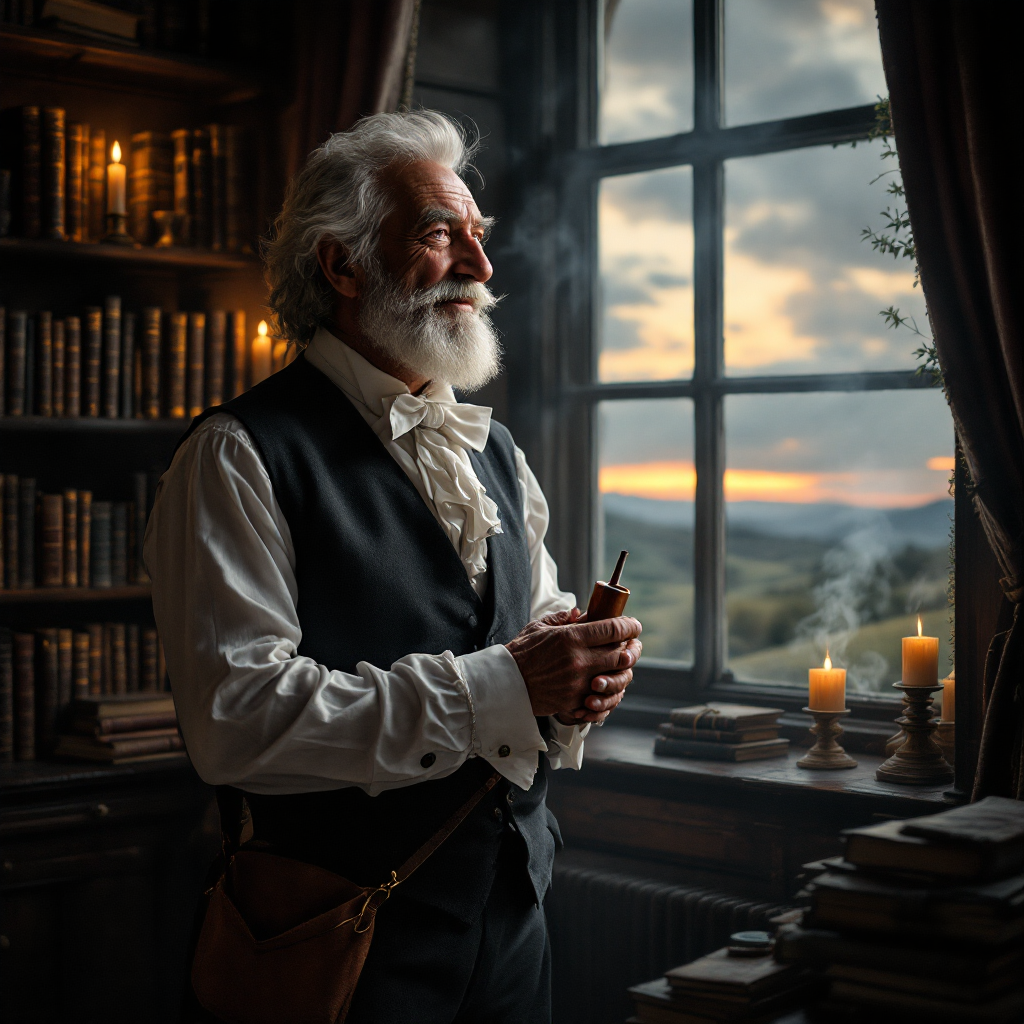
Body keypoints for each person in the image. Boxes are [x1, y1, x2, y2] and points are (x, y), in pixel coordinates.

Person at [146, 109, 642, 1024]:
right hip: (332, 942)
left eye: (479, 238)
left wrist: (581, 670)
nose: (481, 269)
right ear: (341, 266)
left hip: (511, 922)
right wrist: (507, 682)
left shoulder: (499, 456)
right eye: (439, 235)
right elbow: (234, 722)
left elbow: (527, 639)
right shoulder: (237, 456)